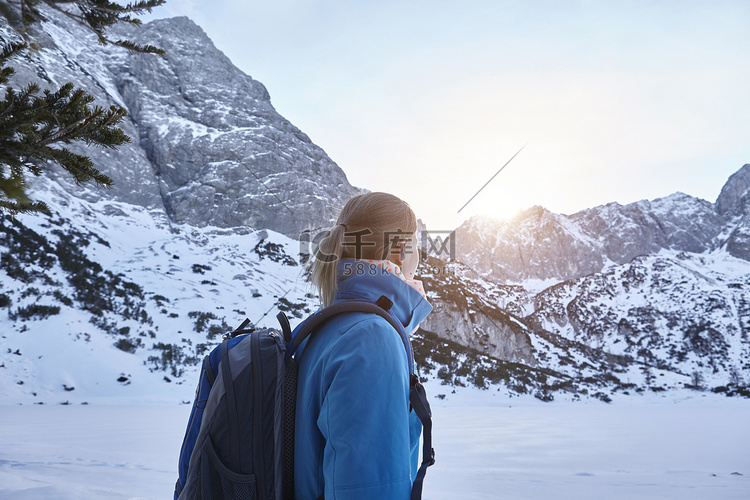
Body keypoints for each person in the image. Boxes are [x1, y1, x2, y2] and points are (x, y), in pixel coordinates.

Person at [293, 192, 433, 500]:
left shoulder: (326, 324)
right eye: (417, 244)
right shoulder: (372, 337)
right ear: (400, 250)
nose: (419, 256)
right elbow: (368, 488)